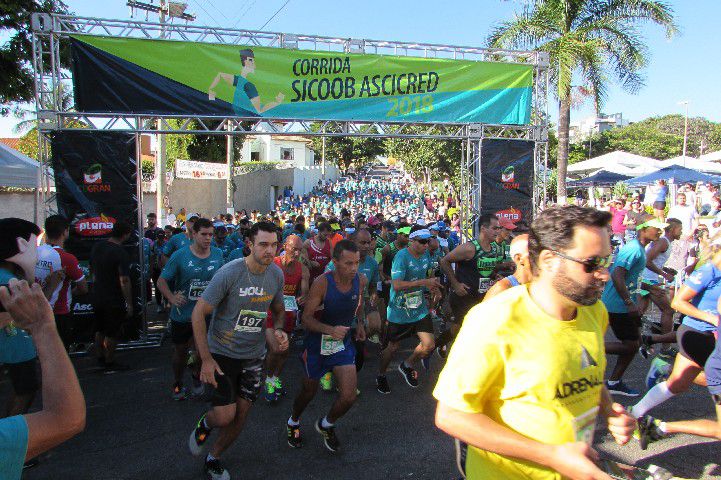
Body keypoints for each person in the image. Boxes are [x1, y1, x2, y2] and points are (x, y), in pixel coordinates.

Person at [433, 206, 636, 480]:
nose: (604, 275)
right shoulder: (495, 319)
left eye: (606, 261)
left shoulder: (594, 311)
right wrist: (551, 455)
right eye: (591, 264)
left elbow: (588, 373)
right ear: (550, 260)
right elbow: (451, 416)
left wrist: (609, 410)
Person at [187, 221, 288, 480]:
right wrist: (206, 358)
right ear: (249, 245)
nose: (269, 250)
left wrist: (278, 329)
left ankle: (214, 457)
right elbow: (199, 313)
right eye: (263, 244)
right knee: (224, 415)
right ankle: (206, 423)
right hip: (222, 352)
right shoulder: (229, 273)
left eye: (274, 245)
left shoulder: (276, 275)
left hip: (253, 357)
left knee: (241, 415)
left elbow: (277, 309)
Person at [0, 220, 85, 479]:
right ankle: (22, 437)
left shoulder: (12, 278)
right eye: (33, 244)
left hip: (17, 349)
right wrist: (40, 326)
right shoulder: (6, 282)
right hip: (14, 350)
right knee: (25, 390)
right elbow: (68, 418)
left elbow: (35, 308)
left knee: (25, 389)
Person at [630, 238, 721, 430]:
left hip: (709, 335)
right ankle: (660, 428)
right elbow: (678, 302)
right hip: (698, 333)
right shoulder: (709, 271)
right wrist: (713, 319)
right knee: (714, 376)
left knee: (677, 384)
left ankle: (636, 413)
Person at [287, 240, 365, 452]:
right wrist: (330, 330)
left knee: (349, 396)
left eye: (357, 263)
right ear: (335, 262)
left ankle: (326, 424)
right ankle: (293, 421)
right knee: (308, 391)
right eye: (348, 263)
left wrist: (360, 323)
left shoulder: (360, 280)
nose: (354, 268)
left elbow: (359, 303)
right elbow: (306, 319)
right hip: (317, 345)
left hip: (341, 344)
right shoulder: (322, 282)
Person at [158, 218, 224, 401]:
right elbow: (161, 281)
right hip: (183, 314)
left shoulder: (218, 254)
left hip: (207, 314)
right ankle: (178, 382)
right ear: (193, 234)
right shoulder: (180, 255)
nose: (208, 238)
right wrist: (171, 298)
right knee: (180, 352)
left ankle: (197, 375)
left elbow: (223, 280)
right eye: (204, 234)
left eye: (211, 234)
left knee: (201, 351)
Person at [602, 216, 666, 397]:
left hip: (621, 303)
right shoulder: (633, 249)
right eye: (656, 228)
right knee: (631, 345)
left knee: (634, 343)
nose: (659, 232)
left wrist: (649, 287)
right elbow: (617, 276)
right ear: (643, 229)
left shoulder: (639, 249)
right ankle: (591, 348)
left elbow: (630, 279)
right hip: (618, 305)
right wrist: (629, 302)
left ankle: (614, 381)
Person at [376, 227, 441, 394]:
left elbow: (427, 274)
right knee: (392, 347)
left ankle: (407, 364)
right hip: (399, 310)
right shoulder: (401, 257)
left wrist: (433, 287)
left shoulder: (426, 254)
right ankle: (381, 375)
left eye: (428, 241)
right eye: (422, 241)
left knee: (429, 345)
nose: (427, 245)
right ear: (412, 241)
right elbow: (396, 285)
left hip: (418, 308)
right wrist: (423, 282)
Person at [435, 214, 503, 357]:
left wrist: (495, 277)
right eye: (495, 228)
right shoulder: (470, 248)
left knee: (478, 329)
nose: (498, 231)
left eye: (499, 228)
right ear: (483, 229)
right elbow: (444, 261)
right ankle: (437, 345)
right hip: (464, 297)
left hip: (483, 297)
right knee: (459, 329)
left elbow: (488, 269)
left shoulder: (494, 249)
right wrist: (455, 284)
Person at [264, 235, 310, 402]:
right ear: (285, 246)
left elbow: (304, 291)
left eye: (299, 249)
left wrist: (303, 297)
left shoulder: (302, 269)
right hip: (271, 313)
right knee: (275, 349)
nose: (297, 253)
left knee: (285, 351)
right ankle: (268, 380)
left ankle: (276, 378)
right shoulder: (272, 264)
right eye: (294, 249)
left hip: (289, 314)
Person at [37, 215, 88, 349]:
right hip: (59, 312)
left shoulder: (35, 252)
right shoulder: (67, 258)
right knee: (60, 352)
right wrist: (71, 292)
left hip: (36, 310)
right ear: (65, 232)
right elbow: (83, 288)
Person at [89, 221, 134, 373]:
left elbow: (92, 270)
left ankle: (100, 357)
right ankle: (109, 360)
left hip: (97, 294)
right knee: (112, 331)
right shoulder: (120, 252)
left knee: (99, 329)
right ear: (126, 234)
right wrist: (129, 303)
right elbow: (124, 280)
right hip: (113, 297)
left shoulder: (98, 247)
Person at [637, 218, 683, 357]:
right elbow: (647, 260)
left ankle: (635, 342)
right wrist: (664, 274)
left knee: (639, 311)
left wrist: (666, 269)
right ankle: (665, 348)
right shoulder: (663, 242)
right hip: (649, 280)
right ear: (673, 229)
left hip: (646, 278)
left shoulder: (664, 242)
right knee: (668, 310)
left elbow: (653, 260)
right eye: (680, 229)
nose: (681, 232)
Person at [208, 48, 285, 116]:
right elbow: (259, 110)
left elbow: (220, 75)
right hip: (236, 117)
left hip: (234, 117)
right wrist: (276, 103)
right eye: (251, 60)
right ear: (246, 61)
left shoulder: (240, 81)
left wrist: (211, 91)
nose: (254, 64)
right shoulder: (249, 86)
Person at [483, 234, 531, 300]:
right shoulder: (502, 288)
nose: (539, 256)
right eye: (533, 253)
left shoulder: (542, 285)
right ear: (519, 259)